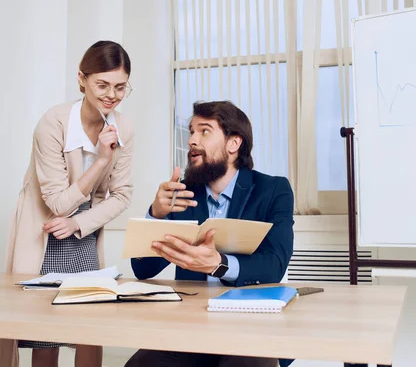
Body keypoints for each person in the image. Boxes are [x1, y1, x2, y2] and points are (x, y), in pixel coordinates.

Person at [125, 100, 295, 367]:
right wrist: (155, 215)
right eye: (191, 131)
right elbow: (143, 269)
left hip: (251, 325)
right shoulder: (180, 194)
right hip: (190, 326)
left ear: (233, 144)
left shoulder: (273, 190)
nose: (192, 140)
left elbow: (274, 265)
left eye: (204, 131)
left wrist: (220, 264)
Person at [0, 40, 135, 367]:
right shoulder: (53, 123)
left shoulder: (124, 126)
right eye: (102, 84)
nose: (111, 95)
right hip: (45, 233)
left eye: (120, 87)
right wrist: (101, 161)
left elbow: (122, 194)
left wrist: (78, 223)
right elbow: (58, 204)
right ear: (81, 79)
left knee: (88, 328)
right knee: (45, 334)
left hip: (83, 230)